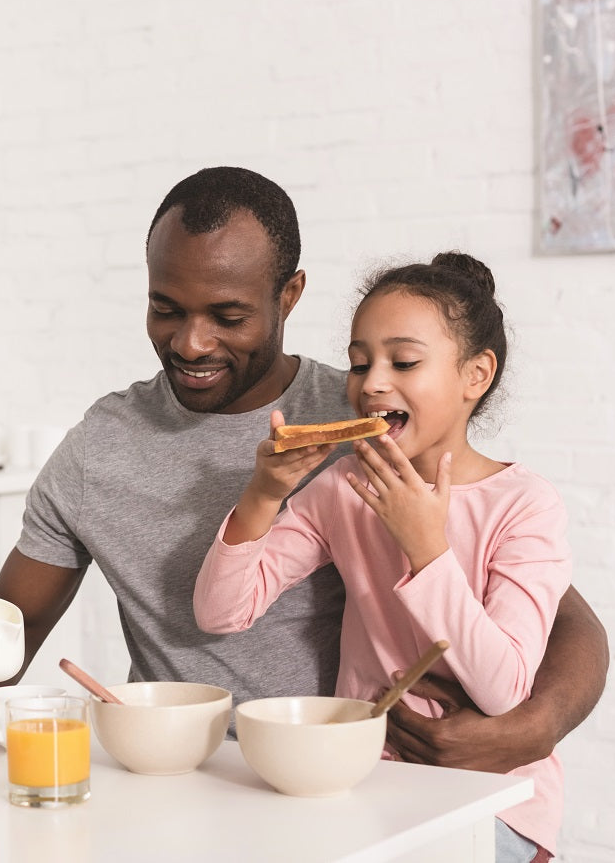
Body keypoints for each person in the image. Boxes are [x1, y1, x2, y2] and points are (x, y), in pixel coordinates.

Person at [0, 166, 607, 775]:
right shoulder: (98, 450)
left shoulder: (374, 417)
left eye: (228, 315)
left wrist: (531, 728)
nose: (190, 342)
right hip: (178, 772)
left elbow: (563, 621)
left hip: (338, 771)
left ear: (290, 295)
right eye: (165, 308)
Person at [194, 251, 566, 861]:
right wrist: (264, 493)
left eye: (405, 362)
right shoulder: (344, 489)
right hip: (366, 784)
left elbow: (504, 691)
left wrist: (426, 546)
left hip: (494, 802)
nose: (371, 383)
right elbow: (220, 612)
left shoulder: (525, 506)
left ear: (476, 375)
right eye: (359, 363)